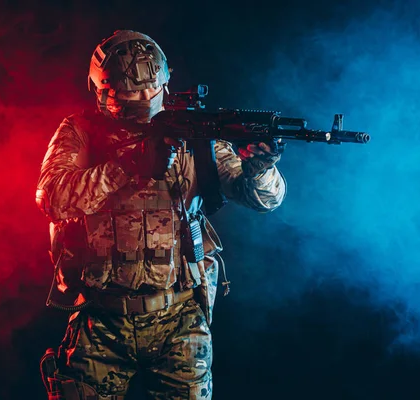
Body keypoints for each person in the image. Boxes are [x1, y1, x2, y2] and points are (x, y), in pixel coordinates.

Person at [35, 29, 286, 400]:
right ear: (103, 91)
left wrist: (260, 167)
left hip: (179, 319)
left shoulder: (192, 134)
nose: (143, 99)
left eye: (150, 90)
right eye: (131, 93)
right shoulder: (82, 132)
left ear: (165, 84)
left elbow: (264, 200)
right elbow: (52, 199)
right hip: (102, 318)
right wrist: (127, 166)